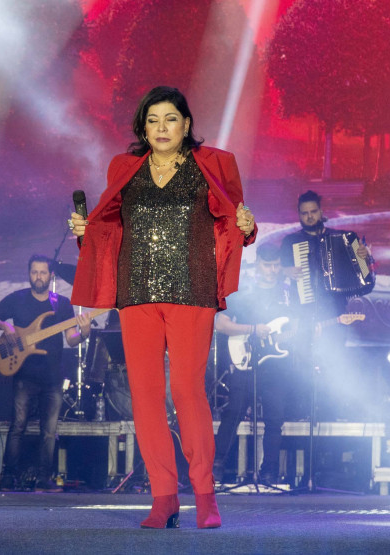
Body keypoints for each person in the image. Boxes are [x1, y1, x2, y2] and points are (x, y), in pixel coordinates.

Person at [68, 86, 256, 529]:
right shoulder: (124, 168)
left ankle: (205, 497)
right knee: (147, 398)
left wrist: (248, 226)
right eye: (152, 120)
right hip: (136, 295)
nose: (162, 128)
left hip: (192, 291)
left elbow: (235, 219)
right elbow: (106, 227)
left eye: (170, 119)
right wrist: (84, 228)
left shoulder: (213, 164)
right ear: (142, 127)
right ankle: (164, 497)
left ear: (186, 124)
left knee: (187, 393)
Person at [0, 254, 92, 492]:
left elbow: (71, 339)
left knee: (49, 432)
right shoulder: (17, 299)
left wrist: (83, 333)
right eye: (34, 272)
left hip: (52, 377)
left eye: (42, 273)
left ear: (51, 276)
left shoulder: (61, 303)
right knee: (17, 427)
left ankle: (44, 479)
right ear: (29, 274)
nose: (38, 277)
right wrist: (3, 325)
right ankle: (8, 477)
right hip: (24, 375)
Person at [279, 190, 373, 420]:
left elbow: (366, 284)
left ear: (321, 212)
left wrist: (365, 258)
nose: (309, 217)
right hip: (305, 315)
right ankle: (299, 417)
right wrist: (285, 272)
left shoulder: (346, 239)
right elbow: (276, 284)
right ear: (299, 215)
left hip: (335, 317)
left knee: (334, 370)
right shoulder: (291, 243)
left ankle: (332, 420)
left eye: (313, 212)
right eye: (304, 213)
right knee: (302, 371)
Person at [213, 243, 295, 486]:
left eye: (276, 265)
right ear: (257, 264)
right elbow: (221, 324)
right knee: (233, 412)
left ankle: (269, 472)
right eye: (267, 265)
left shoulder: (287, 294)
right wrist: (253, 330)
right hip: (245, 362)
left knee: (274, 418)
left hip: (275, 365)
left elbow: (294, 328)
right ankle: (216, 468)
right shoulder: (243, 292)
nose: (271, 270)